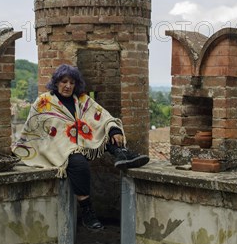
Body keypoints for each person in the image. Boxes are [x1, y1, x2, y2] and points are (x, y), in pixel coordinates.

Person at [12, 64, 149, 230]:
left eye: (72, 82)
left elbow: (102, 117)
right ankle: (87, 212)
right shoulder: (44, 102)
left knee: (103, 132)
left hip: (81, 142)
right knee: (79, 164)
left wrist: (114, 130)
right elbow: (34, 129)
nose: (68, 86)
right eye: (64, 81)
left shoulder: (82, 100)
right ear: (56, 83)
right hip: (57, 147)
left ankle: (122, 154)